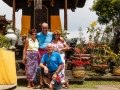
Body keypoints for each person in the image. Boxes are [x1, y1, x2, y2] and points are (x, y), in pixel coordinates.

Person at [35, 22, 64, 88]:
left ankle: (53, 81)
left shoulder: (51, 34)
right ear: (41, 28)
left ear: (48, 28)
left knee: (50, 66)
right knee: (41, 67)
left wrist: (61, 38)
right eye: (43, 28)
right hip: (41, 51)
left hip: (48, 50)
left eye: (46, 28)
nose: (45, 29)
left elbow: (57, 35)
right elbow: (33, 38)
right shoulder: (38, 34)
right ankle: (41, 83)